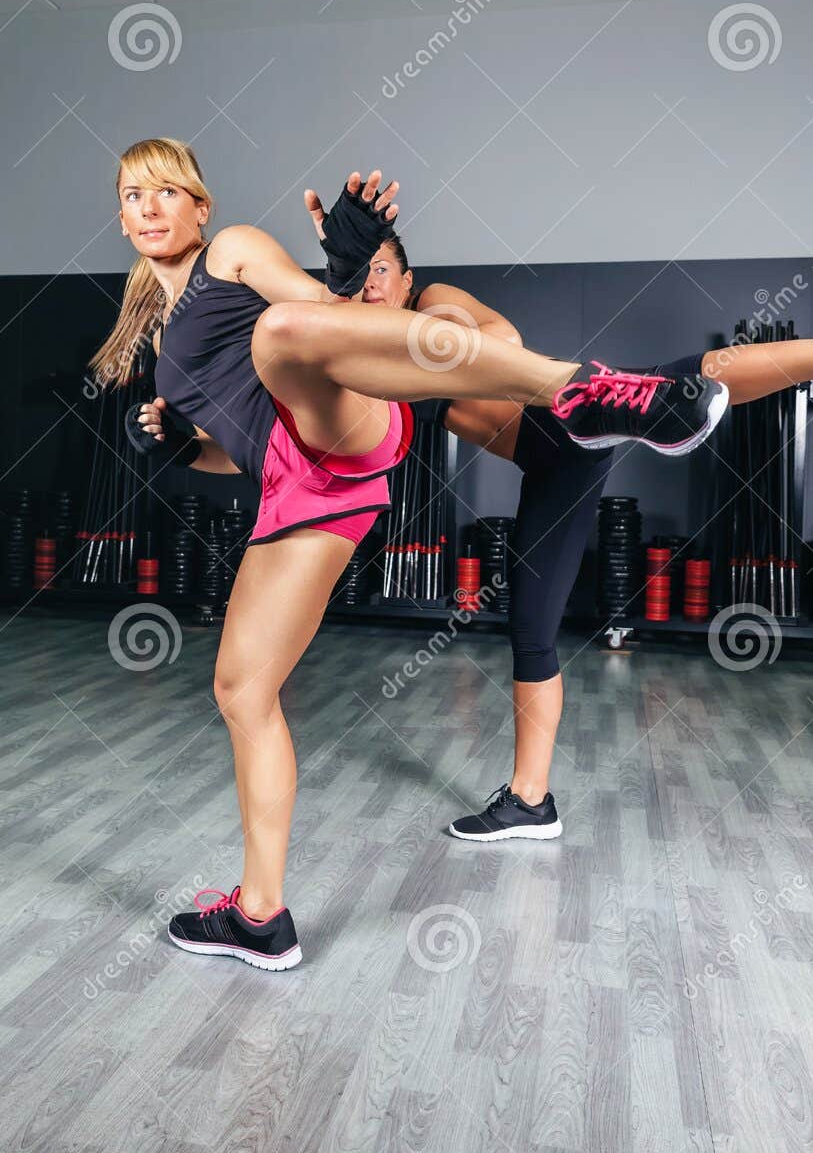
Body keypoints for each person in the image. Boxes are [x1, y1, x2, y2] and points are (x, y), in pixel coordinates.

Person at [90, 137, 726, 970]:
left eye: (165, 192)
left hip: (343, 420)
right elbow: (230, 447)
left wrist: (344, 268)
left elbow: (324, 321)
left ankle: (579, 391)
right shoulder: (161, 337)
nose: (147, 208)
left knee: (283, 329)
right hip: (304, 487)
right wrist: (183, 446)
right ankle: (258, 915)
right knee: (242, 690)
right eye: (133, 194)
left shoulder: (232, 252)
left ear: (198, 207)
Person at [343, 226, 813, 844]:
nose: (370, 283)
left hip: (570, 418)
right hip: (555, 466)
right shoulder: (361, 353)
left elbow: (502, 338)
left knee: (687, 381)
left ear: (405, 282)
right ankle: (531, 802)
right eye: (359, 274)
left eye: (380, 270)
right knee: (531, 627)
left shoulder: (432, 304)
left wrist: (430, 343)